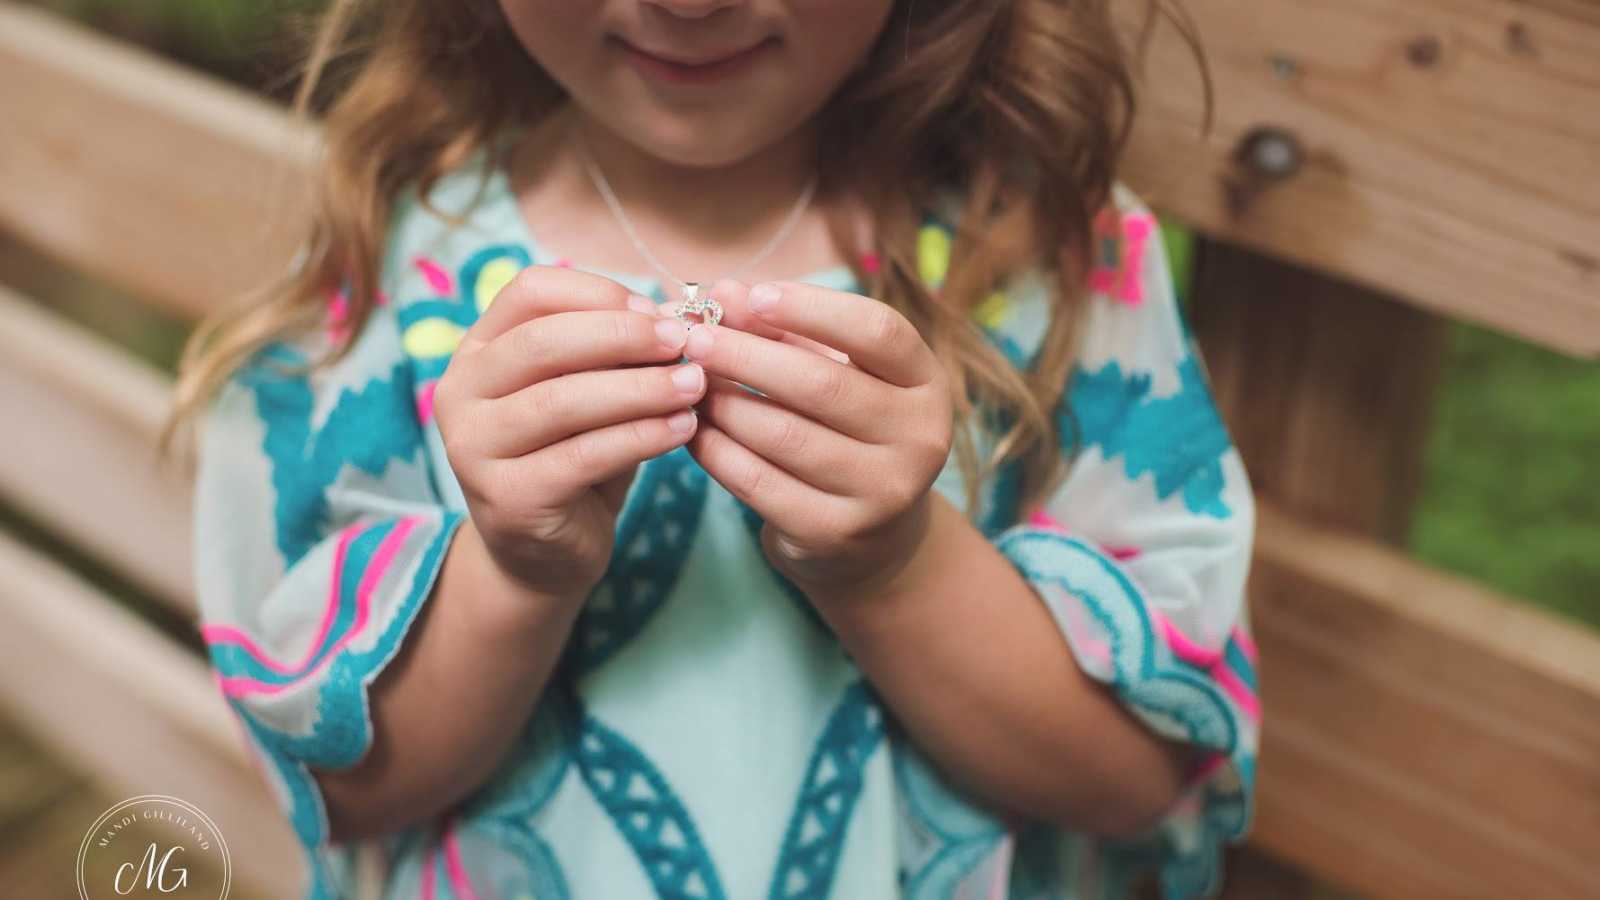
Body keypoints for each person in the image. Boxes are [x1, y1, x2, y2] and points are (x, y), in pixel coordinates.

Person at [166, 1, 1259, 897]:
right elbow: (344, 786)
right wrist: (513, 571)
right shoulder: (391, 261)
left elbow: (1137, 779)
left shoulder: (1042, 256)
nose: (689, 4)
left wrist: (895, 566)